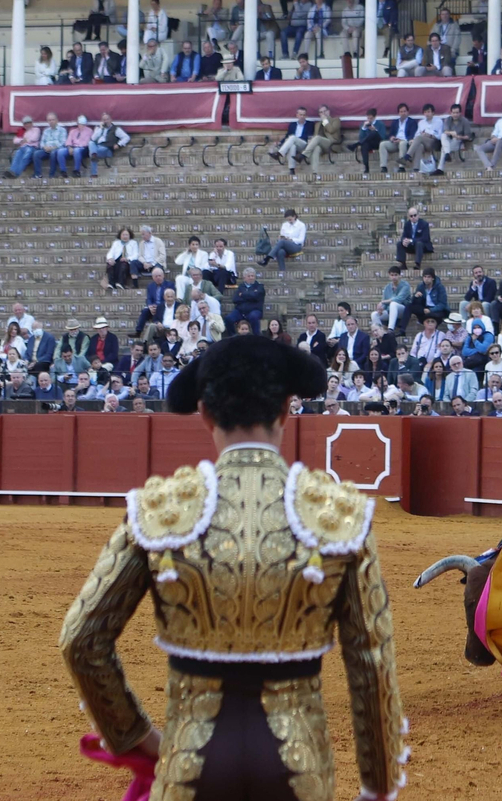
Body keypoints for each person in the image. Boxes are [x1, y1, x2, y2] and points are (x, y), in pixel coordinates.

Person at [60, 335, 407, 801]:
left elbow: (81, 640)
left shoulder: (159, 511)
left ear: (204, 413)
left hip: (191, 762)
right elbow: (371, 663)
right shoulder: (337, 515)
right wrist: (378, 789)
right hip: (297, 765)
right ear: (287, 409)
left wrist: (135, 738)